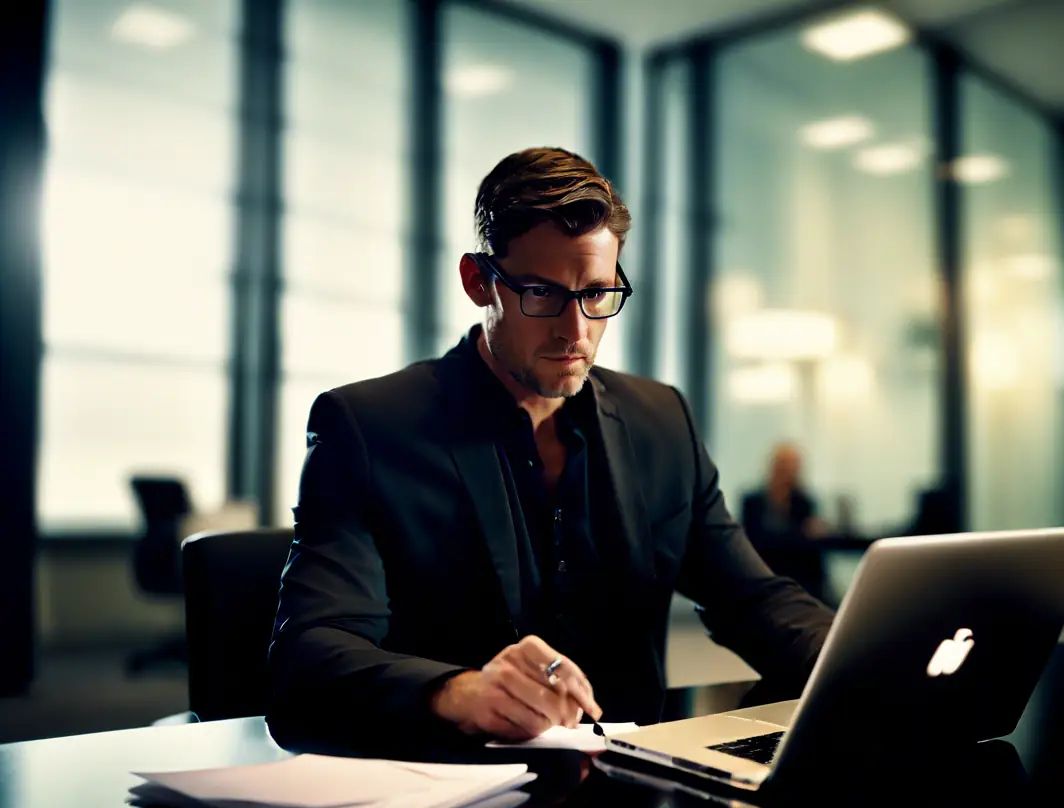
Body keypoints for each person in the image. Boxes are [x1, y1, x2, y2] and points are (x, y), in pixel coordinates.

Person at [268, 147, 835, 747]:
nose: (575, 331)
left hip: (633, 790)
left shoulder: (660, 420)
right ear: (477, 281)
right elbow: (309, 656)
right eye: (541, 293)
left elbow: (750, 598)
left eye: (597, 293)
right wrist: (457, 691)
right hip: (452, 791)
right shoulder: (368, 428)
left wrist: (865, 661)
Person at [741, 444, 829, 598]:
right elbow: (753, 537)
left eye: (793, 466)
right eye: (784, 466)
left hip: (796, 571)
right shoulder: (752, 502)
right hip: (761, 567)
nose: (788, 471)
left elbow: (807, 540)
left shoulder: (804, 502)